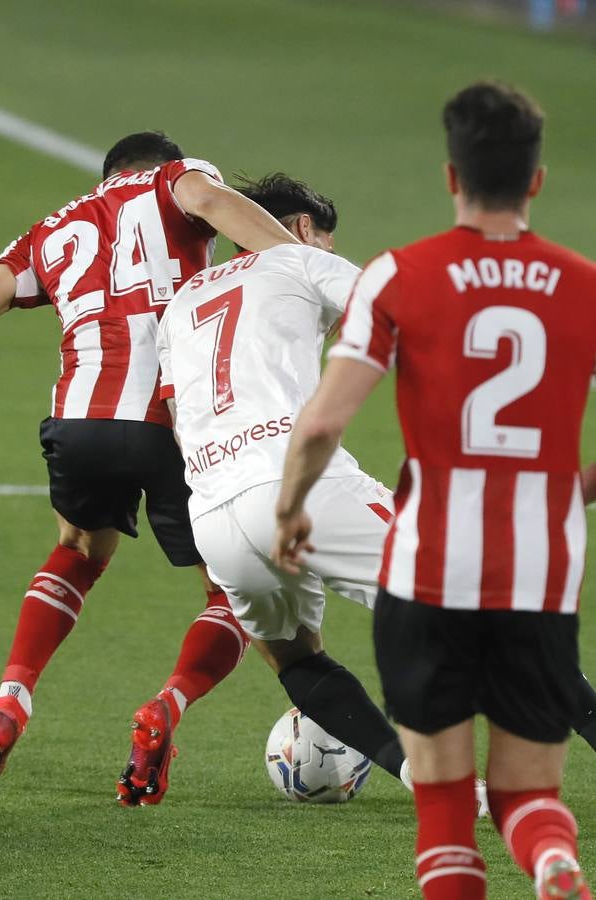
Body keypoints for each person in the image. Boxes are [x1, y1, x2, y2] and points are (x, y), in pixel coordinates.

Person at [0, 131, 298, 786]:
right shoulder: (176, 180)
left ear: (105, 177)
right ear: (158, 165)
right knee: (231, 586)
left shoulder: (50, 232)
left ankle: (9, 700)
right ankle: (170, 704)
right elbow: (211, 201)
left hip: (81, 424)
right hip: (178, 425)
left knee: (78, 550)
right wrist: (308, 270)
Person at [273, 82, 593, 900]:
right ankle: (553, 862)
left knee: (447, 808)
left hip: (428, 571)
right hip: (537, 574)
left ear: (452, 177)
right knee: (529, 795)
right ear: (537, 180)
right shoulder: (583, 286)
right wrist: (572, 490)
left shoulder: (398, 275)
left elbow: (322, 422)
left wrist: (292, 508)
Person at [141, 173, 416, 804]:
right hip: (298, 485)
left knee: (296, 658)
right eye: (327, 239)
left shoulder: (179, 307)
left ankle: (424, 780)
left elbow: (179, 420)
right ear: (302, 228)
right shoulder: (298, 259)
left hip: (214, 514)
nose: (329, 250)